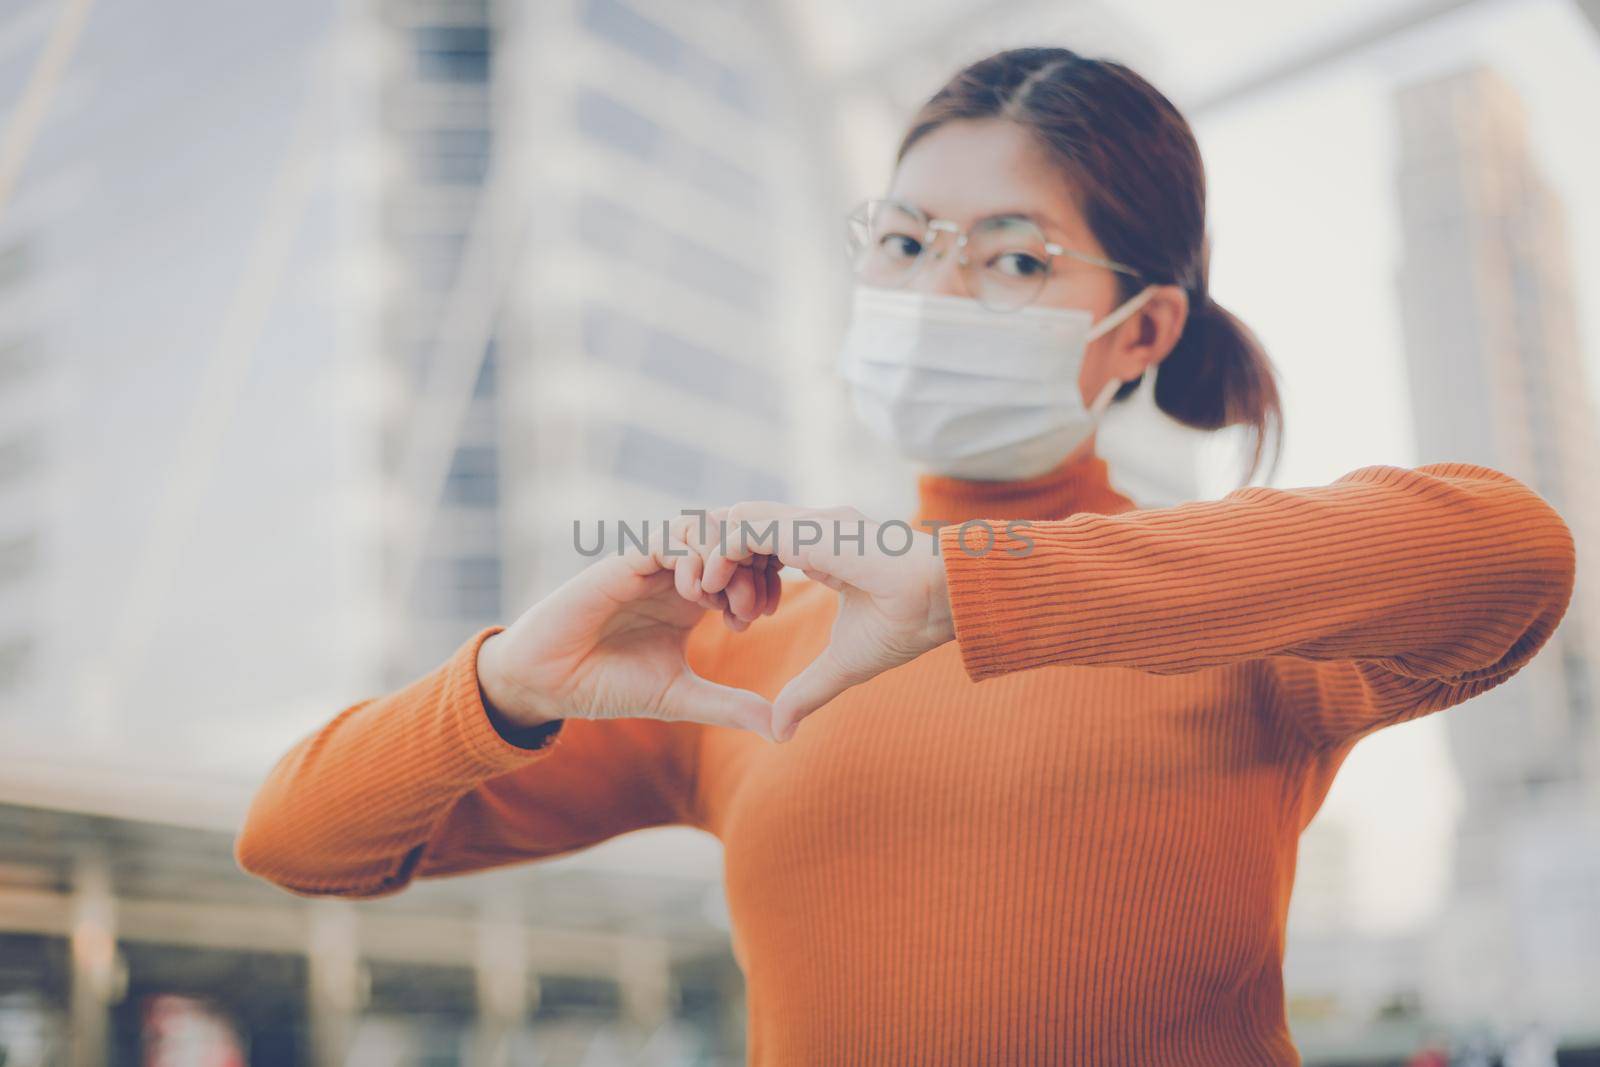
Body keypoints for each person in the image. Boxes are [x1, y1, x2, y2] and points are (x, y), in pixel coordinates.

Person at [235, 47, 1577, 1064]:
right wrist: (509, 686)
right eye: (903, 241)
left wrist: (974, 588)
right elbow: (295, 839)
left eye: (1012, 260)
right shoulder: (735, 655)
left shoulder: (1215, 603)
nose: (933, 291)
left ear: (1142, 332)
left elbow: (1512, 552)